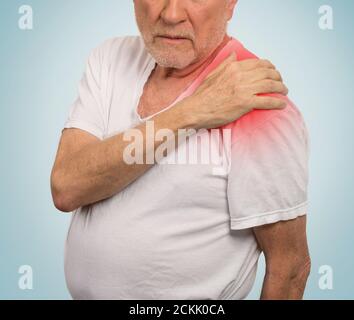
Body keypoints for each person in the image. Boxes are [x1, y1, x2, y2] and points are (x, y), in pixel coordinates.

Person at [51, 0, 311, 300]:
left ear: (230, 5)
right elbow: (66, 187)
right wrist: (192, 112)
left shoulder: (258, 105)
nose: (171, 14)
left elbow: (289, 267)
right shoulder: (111, 58)